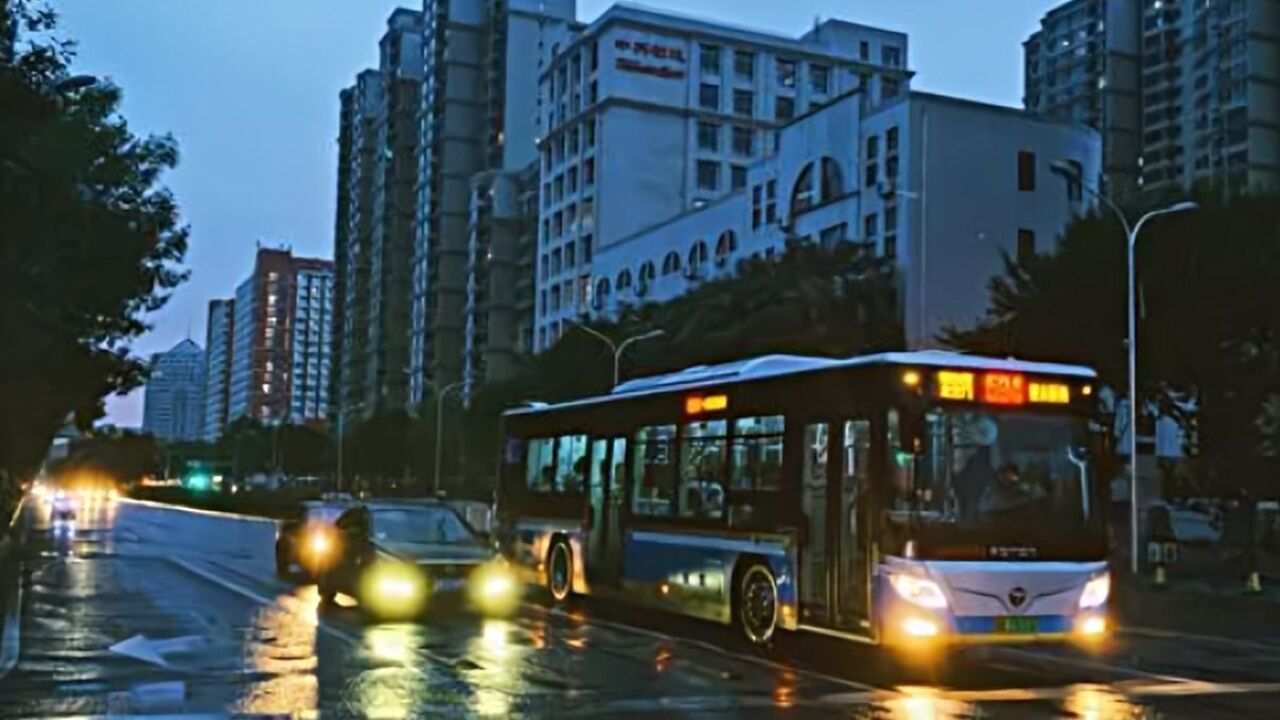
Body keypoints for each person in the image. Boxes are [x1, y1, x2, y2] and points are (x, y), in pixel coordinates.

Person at [978, 463, 1043, 516]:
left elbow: (1037, 498)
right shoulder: (991, 493)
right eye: (1005, 475)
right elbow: (985, 510)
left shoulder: (1022, 492)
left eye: (1012, 475)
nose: (1008, 479)